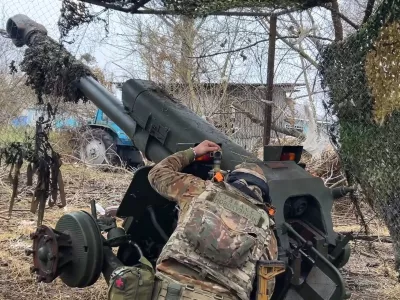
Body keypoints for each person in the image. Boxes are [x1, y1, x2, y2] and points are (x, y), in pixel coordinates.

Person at [147, 140, 279, 300]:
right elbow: (265, 291)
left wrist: (194, 152)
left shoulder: (201, 190)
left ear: (231, 179)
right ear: (263, 195)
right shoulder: (266, 230)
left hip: (169, 292)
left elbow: (157, 173)